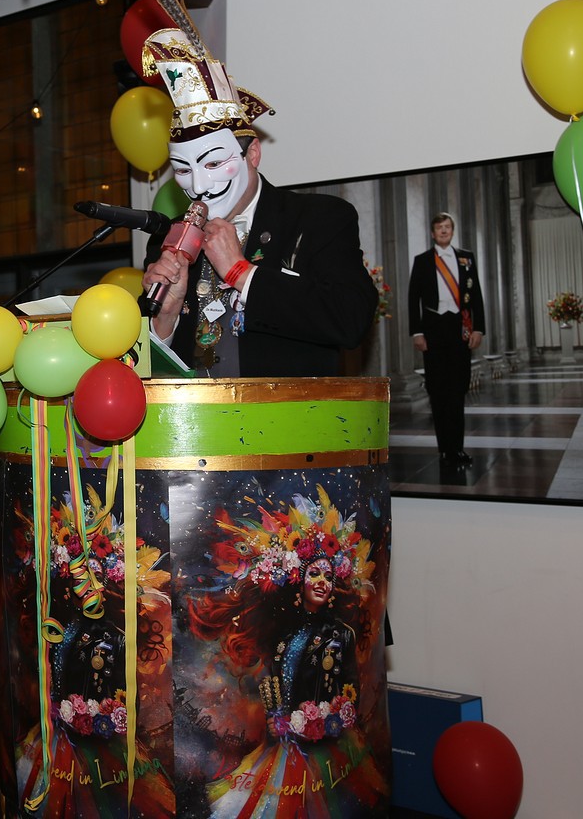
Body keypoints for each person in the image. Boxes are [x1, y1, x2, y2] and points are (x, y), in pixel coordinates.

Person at [139, 29, 377, 377]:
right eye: (183, 170)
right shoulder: (170, 238)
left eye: (214, 163)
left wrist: (241, 272)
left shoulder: (316, 219)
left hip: (286, 408)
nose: (199, 185)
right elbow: (142, 364)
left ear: (252, 154)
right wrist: (165, 316)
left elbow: (350, 319)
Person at [184, 487, 389, 816]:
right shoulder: (284, 634)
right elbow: (274, 687)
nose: (321, 582)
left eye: (328, 576)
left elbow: (351, 693)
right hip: (284, 749)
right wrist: (276, 718)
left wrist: (325, 720)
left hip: (329, 750)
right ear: (299, 580)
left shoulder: (341, 634)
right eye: (314, 574)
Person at [407, 212, 484, 469]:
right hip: (433, 330)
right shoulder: (422, 261)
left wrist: (479, 329)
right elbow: (413, 298)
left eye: (447, 227)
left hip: (460, 329)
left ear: (452, 231)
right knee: (438, 390)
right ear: (433, 233)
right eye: (439, 227)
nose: (443, 231)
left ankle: (457, 448)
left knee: (458, 389)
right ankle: (445, 450)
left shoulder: (466, 258)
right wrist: (416, 332)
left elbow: (476, 295)